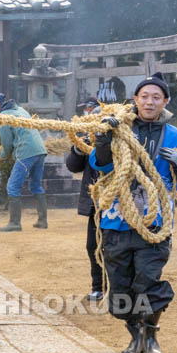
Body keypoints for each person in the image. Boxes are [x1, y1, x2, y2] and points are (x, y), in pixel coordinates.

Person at [89, 73, 177, 353]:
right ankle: (134, 333)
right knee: (120, 288)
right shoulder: (120, 128)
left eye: (156, 97)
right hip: (117, 220)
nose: (150, 101)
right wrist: (103, 138)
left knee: (147, 282)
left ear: (165, 102)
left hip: (155, 223)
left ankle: (150, 333)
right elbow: (99, 164)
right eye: (144, 96)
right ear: (135, 100)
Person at [0, 93, 48, 232]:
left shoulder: (4, 117)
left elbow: (7, 144)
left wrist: (2, 156)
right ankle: (42, 220)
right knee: (36, 185)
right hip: (40, 150)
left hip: (25, 152)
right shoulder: (21, 110)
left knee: (12, 186)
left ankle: (14, 223)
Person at [65, 98, 104, 300]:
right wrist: (79, 149)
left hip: (119, 202)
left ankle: (117, 287)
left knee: (116, 248)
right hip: (95, 202)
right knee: (93, 245)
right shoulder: (88, 140)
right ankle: (98, 286)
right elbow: (73, 166)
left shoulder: (125, 139)